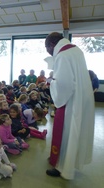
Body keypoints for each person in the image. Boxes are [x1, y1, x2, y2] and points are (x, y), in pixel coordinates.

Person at [44, 32, 95, 179]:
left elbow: (64, 86)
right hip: (80, 97)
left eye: (47, 47)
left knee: (66, 134)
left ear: (52, 44)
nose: (48, 51)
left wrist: (50, 82)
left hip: (70, 102)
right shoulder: (76, 51)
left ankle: (62, 167)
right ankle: (66, 161)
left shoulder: (62, 56)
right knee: (74, 133)